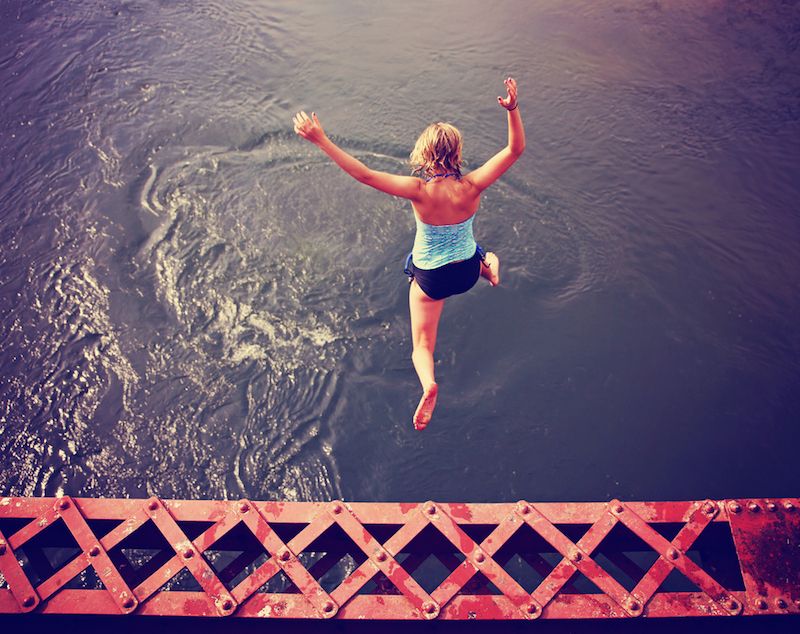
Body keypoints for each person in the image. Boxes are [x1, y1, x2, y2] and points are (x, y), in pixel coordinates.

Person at [293, 77, 525, 431]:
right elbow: (514, 150)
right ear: (457, 153)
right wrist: (512, 109)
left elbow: (365, 175)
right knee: (484, 255)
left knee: (421, 343)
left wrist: (320, 139)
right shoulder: (474, 184)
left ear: (424, 154)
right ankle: (490, 272)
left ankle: (428, 384)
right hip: (465, 271)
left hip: (432, 278)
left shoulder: (418, 190)